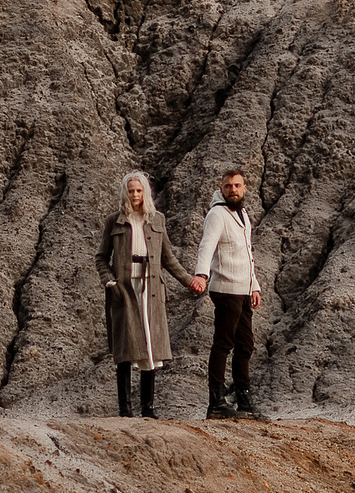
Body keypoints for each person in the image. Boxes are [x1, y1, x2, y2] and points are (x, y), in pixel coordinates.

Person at [98, 171, 195, 418]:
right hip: (124, 289)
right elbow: (101, 257)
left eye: (139, 190)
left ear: (146, 192)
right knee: (125, 346)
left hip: (151, 288)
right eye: (131, 191)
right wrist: (109, 280)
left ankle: (148, 408)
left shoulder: (157, 220)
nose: (135, 195)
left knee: (150, 346)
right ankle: (125, 410)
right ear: (125, 193)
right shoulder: (115, 221)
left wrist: (189, 281)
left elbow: (168, 258)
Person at [189, 168, 263, 420]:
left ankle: (243, 398)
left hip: (243, 290)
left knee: (245, 345)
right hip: (225, 288)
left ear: (244, 188)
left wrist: (254, 285)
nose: (233, 189)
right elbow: (206, 245)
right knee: (223, 344)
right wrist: (201, 274)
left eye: (237, 185)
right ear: (221, 189)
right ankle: (216, 402)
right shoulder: (217, 214)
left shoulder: (243, 214)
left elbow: (248, 254)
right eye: (228, 186)